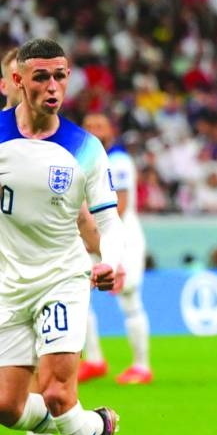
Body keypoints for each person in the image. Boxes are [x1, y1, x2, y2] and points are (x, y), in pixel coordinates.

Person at [0, 38, 124, 435]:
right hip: (10, 283)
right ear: (17, 81)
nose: (53, 87)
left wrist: (109, 261)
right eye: (41, 77)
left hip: (63, 277)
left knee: (55, 391)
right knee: (8, 407)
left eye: (60, 76)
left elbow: (109, 221)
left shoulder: (84, 147)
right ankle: (96, 425)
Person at [78, 113, 153, 385]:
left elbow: (119, 206)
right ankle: (94, 359)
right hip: (93, 236)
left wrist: (101, 240)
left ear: (112, 130)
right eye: (89, 126)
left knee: (129, 298)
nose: (94, 131)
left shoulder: (118, 160)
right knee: (78, 296)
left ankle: (141, 366)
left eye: (100, 125)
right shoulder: (85, 159)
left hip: (123, 237)